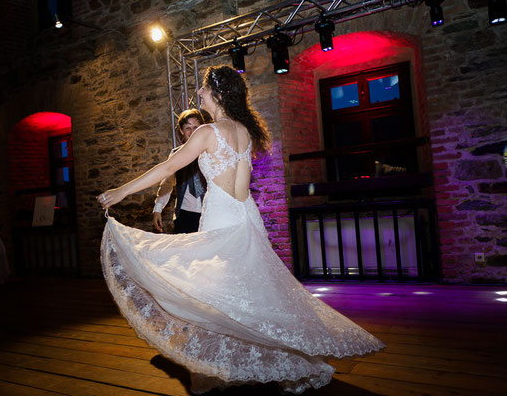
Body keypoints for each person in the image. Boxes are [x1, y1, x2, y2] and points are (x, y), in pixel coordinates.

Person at [97, 65, 384, 394]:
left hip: (220, 216)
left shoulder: (207, 132)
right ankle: (230, 366)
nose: (199, 94)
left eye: (203, 88)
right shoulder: (244, 131)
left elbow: (169, 166)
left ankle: (210, 371)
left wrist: (121, 191)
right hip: (245, 214)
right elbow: (242, 188)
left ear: (216, 94)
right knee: (246, 295)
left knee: (211, 297)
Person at [152, 109, 206, 234]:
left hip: (209, 213)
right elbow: (167, 183)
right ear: (181, 131)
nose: (192, 132)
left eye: (196, 127)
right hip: (184, 215)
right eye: (188, 128)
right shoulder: (176, 154)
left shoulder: (211, 152)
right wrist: (157, 209)